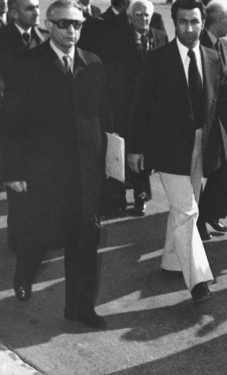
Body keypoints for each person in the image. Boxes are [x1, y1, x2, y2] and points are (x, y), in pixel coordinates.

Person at [127, 0, 227, 303]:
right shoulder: (157, 59)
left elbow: (226, 101)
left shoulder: (212, 57)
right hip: (168, 149)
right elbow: (139, 105)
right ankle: (198, 280)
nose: (189, 28)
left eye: (194, 22)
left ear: (202, 22)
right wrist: (135, 148)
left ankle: (172, 261)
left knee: (185, 208)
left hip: (202, 143)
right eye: (182, 22)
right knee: (188, 210)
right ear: (174, 23)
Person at [2, 0, 108, 329]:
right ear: (49, 25)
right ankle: (24, 270)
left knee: (85, 239)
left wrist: (109, 162)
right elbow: (11, 122)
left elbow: (101, 117)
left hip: (84, 170)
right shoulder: (27, 64)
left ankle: (80, 307)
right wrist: (13, 171)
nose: (71, 31)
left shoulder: (93, 63)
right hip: (42, 170)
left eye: (77, 24)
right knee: (38, 234)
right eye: (64, 24)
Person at [101, 0, 167, 218]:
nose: (144, 19)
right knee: (121, 152)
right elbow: (109, 74)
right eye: (139, 15)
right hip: (124, 106)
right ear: (130, 17)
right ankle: (117, 199)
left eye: (147, 15)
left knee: (142, 152)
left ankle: (140, 197)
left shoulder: (160, 37)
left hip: (150, 108)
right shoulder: (116, 40)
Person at [197, 0, 227, 240]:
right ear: (219, 20)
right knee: (204, 172)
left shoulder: (223, 44)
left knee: (224, 171)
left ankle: (211, 214)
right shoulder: (199, 44)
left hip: (222, 120)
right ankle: (199, 220)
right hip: (204, 121)